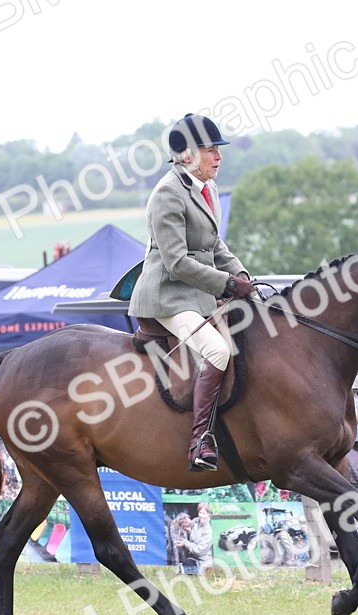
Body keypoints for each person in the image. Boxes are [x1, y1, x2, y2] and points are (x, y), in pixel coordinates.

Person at [128, 113, 255, 471]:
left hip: (197, 293)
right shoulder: (167, 193)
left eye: (218, 150)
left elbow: (215, 246)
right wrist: (229, 284)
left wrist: (243, 274)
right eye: (211, 150)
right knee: (217, 351)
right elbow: (177, 263)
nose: (219, 157)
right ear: (186, 155)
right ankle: (201, 440)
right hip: (167, 295)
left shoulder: (207, 188)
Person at [180, 502, 215, 574]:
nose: (201, 516)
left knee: (187, 568)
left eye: (204, 513)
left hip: (203, 561)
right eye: (200, 513)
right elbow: (194, 537)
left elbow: (200, 551)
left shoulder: (208, 529)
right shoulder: (195, 522)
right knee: (184, 562)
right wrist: (188, 530)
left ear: (209, 514)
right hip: (194, 557)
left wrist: (185, 543)